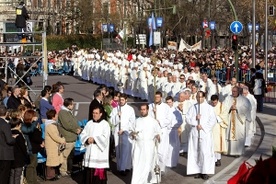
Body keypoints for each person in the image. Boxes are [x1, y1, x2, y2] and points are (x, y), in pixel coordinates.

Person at [186, 91, 217, 180]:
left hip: (204, 133)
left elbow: (212, 120)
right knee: (196, 152)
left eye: (201, 97)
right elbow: (187, 119)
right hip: (195, 132)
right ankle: (197, 170)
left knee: (204, 152)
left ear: (204, 97)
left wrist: (202, 126)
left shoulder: (209, 108)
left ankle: (205, 171)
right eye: (197, 97)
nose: (199, 99)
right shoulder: (193, 107)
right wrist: (195, 120)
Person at [131, 104, 161, 184]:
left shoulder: (153, 121)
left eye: (144, 109)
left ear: (147, 110)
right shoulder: (137, 121)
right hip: (139, 146)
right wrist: (133, 135)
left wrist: (158, 135)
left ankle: (147, 181)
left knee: (148, 164)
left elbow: (159, 131)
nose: (142, 111)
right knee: (138, 165)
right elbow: (132, 132)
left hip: (149, 146)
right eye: (141, 109)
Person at [80, 106, 110, 184]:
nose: (94, 115)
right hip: (90, 151)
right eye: (93, 113)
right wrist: (87, 139)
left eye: (96, 113)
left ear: (100, 114)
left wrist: (94, 139)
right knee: (88, 172)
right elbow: (83, 134)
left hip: (99, 153)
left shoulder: (105, 124)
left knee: (98, 175)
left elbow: (105, 137)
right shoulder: (89, 123)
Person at [221, 86, 252, 156]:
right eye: (232, 91)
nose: (233, 93)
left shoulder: (244, 99)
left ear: (238, 92)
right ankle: (228, 151)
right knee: (228, 134)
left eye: (235, 91)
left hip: (239, 120)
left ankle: (237, 152)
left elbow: (248, 107)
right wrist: (230, 108)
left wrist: (237, 108)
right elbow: (223, 107)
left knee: (238, 135)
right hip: (229, 119)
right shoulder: (228, 98)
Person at [110, 93, 135, 176]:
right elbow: (112, 121)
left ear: (126, 100)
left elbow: (132, 122)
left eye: (123, 100)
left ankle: (126, 167)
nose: (121, 102)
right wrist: (117, 116)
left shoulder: (130, 109)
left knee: (126, 150)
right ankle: (120, 167)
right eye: (120, 100)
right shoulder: (115, 109)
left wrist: (124, 129)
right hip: (117, 131)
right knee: (119, 150)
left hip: (126, 131)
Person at [148, 91, 172, 174]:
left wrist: (159, 121)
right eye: (155, 97)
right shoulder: (150, 106)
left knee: (161, 151)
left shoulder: (166, 107)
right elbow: (147, 118)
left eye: (158, 97)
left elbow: (169, 119)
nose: (156, 99)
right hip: (152, 131)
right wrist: (152, 112)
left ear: (161, 97)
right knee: (153, 150)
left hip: (162, 131)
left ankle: (161, 168)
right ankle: (153, 166)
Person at [58, 98, 81, 177]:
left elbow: (74, 122)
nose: (73, 105)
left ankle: (68, 169)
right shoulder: (63, 113)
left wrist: (79, 128)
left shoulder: (68, 112)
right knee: (65, 155)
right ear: (68, 105)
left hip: (72, 137)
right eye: (72, 104)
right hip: (68, 137)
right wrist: (76, 130)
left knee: (70, 156)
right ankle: (63, 170)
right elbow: (67, 124)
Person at [22, 109, 43, 184]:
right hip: (31, 148)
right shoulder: (28, 126)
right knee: (31, 165)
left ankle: (34, 180)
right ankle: (31, 181)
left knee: (34, 164)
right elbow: (31, 132)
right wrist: (35, 122)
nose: (36, 117)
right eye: (34, 116)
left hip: (34, 148)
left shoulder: (30, 125)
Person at [45, 109, 66, 181]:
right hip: (51, 146)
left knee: (54, 160)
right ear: (53, 116)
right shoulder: (50, 126)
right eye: (56, 114)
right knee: (51, 161)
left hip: (54, 145)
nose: (57, 116)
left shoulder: (53, 124)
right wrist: (62, 140)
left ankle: (54, 174)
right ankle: (50, 176)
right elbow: (55, 136)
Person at [209, 94, 228, 167]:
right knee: (211, 143)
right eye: (212, 102)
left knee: (217, 143)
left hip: (218, 126)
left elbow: (224, 115)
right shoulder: (209, 106)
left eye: (215, 102)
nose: (214, 104)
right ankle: (212, 159)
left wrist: (216, 117)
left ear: (217, 100)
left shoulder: (221, 106)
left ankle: (218, 159)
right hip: (211, 127)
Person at [165, 96, 182, 168]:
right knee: (165, 146)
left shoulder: (176, 111)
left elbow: (180, 121)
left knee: (173, 147)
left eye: (170, 102)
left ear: (173, 102)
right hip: (165, 130)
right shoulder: (164, 110)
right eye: (167, 102)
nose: (169, 104)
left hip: (173, 130)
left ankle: (173, 162)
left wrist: (172, 125)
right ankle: (165, 162)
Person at [9, 117, 28, 184]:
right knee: (17, 176)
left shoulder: (8, 134)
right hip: (19, 158)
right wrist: (26, 156)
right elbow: (23, 147)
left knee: (12, 175)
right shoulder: (19, 135)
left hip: (10, 157)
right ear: (18, 125)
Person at [0, 105, 16, 184]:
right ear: (6, 113)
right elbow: (9, 140)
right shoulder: (5, 125)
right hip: (5, 154)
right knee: (4, 176)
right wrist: (14, 138)